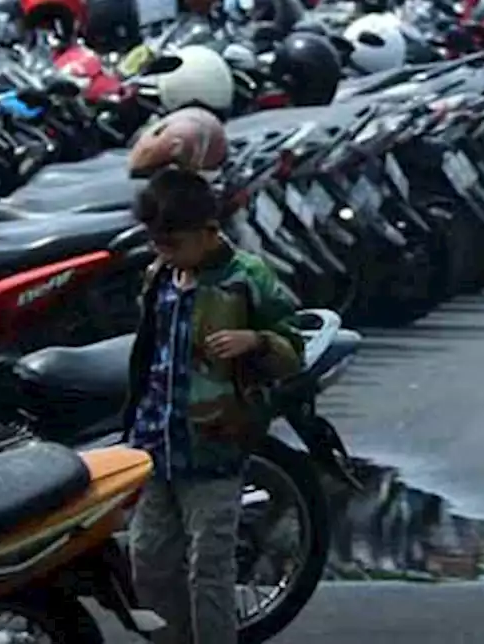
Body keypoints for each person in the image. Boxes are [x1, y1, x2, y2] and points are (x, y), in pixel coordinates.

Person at [124, 167, 303, 644]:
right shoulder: (159, 275)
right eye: (157, 244)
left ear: (209, 231)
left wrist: (256, 341)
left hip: (217, 447)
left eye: (174, 243)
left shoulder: (248, 277)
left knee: (211, 569)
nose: (165, 253)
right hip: (157, 444)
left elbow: (294, 345)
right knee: (149, 563)